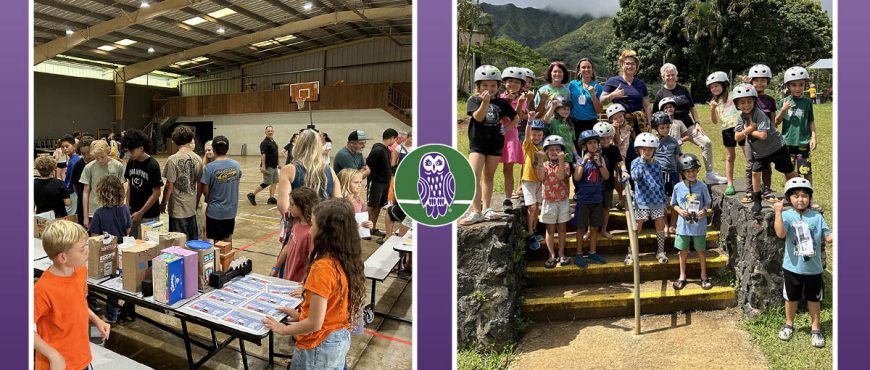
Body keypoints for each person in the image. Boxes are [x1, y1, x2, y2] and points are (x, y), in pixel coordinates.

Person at [262, 199, 365, 370]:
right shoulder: (346, 258)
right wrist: (300, 315)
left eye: (314, 225)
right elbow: (330, 308)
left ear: (326, 232)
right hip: (338, 339)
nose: (310, 231)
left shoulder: (322, 267)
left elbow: (315, 324)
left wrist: (282, 329)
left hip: (318, 346)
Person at [34, 221, 111, 370]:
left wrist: (96, 320)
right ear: (63, 258)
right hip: (57, 365)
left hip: (81, 359)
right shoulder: (42, 289)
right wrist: (53, 355)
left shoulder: (80, 271)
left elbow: (79, 303)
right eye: (82, 249)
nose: (88, 251)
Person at [773, 178, 832, 348]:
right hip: (792, 267)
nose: (800, 199)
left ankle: (816, 328)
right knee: (791, 298)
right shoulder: (787, 215)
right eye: (796, 196)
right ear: (789, 198)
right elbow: (780, 234)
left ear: (810, 198)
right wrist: (778, 212)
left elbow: (828, 236)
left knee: (814, 299)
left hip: (814, 269)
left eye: (804, 196)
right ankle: (789, 324)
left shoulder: (817, 216)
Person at [460, 65, 520, 225]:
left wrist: (506, 128)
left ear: (498, 86)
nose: (490, 88)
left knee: (489, 176)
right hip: (477, 144)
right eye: (485, 85)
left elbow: (516, 118)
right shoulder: (474, 100)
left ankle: (487, 209)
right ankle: (476, 211)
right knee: (473, 175)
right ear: (478, 86)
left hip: (495, 144)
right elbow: (478, 117)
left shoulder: (502, 103)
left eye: (493, 85)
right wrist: (485, 102)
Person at [653, 63, 726, 184]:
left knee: (706, 142)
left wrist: (697, 123)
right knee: (674, 153)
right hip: (670, 127)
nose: (670, 77)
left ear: (676, 75)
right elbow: (655, 114)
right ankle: (676, 181)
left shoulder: (683, 90)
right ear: (663, 77)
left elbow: (692, 108)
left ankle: (710, 173)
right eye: (667, 75)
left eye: (672, 75)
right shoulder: (660, 93)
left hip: (687, 124)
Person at [733, 83, 797, 213]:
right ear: (737, 105)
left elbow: (762, 135)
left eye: (749, 101)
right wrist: (750, 129)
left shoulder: (759, 114)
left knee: (789, 172)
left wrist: (747, 130)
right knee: (755, 172)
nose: (746, 105)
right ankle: (757, 201)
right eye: (742, 103)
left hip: (777, 148)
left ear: (755, 101)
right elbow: (736, 137)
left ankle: (798, 193)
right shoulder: (741, 118)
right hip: (761, 153)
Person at [88, 176, 132, 324]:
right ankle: (125, 311)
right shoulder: (125, 209)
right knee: (121, 283)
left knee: (108, 286)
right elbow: (128, 229)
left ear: (100, 193)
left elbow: (94, 238)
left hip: (106, 253)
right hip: (121, 250)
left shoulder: (99, 213)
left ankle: (111, 315)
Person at [602, 49, 653, 166]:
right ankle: (625, 179)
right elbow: (602, 100)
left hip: (640, 123)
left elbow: (646, 104)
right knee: (626, 152)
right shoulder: (613, 81)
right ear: (622, 65)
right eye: (627, 63)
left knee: (643, 151)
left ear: (636, 66)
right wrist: (613, 95)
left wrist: (649, 123)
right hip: (622, 124)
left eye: (633, 64)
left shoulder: (640, 83)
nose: (630, 66)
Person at [670, 154, 713, 291]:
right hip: (683, 226)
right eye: (688, 171)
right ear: (683, 172)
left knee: (701, 250)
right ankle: (682, 276)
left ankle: (704, 276)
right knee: (683, 251)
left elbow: (708, 202)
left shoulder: (702, 186)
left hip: (698, 224)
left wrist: (704, 210)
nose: (691, 173)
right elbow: (674, 203)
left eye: (694, 170)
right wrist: (680, 211)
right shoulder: (678, 187)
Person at [628, 133, 668, 265]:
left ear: (654, 150)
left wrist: (663, 200)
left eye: (650, 149)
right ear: (638, 150)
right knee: (637, 226)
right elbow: (635, 177)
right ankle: (631, 251)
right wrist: (641, 161)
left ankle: (661, 251)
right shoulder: (635, 162)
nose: (647, 152)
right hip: (642, 201)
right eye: (644, 149)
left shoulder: (657, 164)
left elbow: (660, 182)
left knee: (660, 225)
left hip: (657, 200)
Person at [571, 130, 609, 268]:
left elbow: (606, 176)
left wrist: (599, 164)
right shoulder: (580, 161)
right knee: (581, 229)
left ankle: (592, 252)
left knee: (594, 228)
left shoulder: (601, 159)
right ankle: (579, 254)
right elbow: (576, 177)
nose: (593, 145)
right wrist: (583, 162)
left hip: (597, 199)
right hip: (583, 201)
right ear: (584, 146)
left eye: (595, 142)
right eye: (589, 143)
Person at [161, 126, 203, 241]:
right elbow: (200, 184)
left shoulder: (172, 159)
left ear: (175, 141)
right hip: (191, 206)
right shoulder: (198, 159)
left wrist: (163, 202)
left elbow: (169, 185)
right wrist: (197, 200)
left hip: (177, 209)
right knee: (192, 240)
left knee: (178, 243)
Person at [776, 66, 816, 185]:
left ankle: (809, 197)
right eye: (794, 85)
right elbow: (776, 122)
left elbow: (811, 121)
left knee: (806, 170)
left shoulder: (808, 102)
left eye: (801, 84)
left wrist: (813, 137)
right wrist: (783, 110)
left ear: (805, 85)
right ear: (788, 86)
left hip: (803, 143)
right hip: (787, 143)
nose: (798, 88)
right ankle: (790, 196)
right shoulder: (783, 102)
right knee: (789, 171)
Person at [499, 67, 531, 212]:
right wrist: (506, 101)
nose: (513, 85)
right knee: (489, 168)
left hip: (511, 135)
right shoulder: (498, 97)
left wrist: (518, 102)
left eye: (517, 82)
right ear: (504, 82)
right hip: (495, 135)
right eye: (510, 81)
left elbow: (517, 116)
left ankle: (507, 198)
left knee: (508, 168)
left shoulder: (522, 100)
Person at [707, 71, 744, 197]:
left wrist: (745, 82)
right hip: (726, 130)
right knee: (730, 157)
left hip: (740, 126)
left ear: (724, 84)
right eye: (711, 87)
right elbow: (714, 121)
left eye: (716, 85)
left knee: (748, 154)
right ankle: (729, 183)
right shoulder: (714, 101)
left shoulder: (733, 95)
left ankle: (754, 181)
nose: (714, 89)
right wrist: (712, 109)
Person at [537, 135, 571, 269]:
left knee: (562, 229)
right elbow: (540, 177)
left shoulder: (566, 164)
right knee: (550, 230)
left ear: (562, 150)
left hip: (562, 200)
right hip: (549, 201)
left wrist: (562, 160)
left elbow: (561, 176)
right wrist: (540, 159)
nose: (554, 152)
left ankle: (561, 253)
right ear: (546, 151)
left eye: (557, 149)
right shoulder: (544, 165)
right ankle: (551, 255)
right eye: (551, 149)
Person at [122, 129, 163, 239]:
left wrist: (141, 212)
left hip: (149, 215)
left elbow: (157, 192)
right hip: (133, 214)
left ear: (141, 148)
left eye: (131, 151)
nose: (129, 154)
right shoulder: (131, 162)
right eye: (127, 151)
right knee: (133, 244)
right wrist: (127, 207)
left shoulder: (153, 165)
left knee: (150, 248)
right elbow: (130, 187)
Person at [272, 187, 319, 282]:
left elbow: (313, 261)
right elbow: (287, 246)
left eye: (292, 204)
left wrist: (304, 284)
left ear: (304, 207)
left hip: (298, 283)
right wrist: (275, 269)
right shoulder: (296, 223)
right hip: (288, 276)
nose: (289, 207)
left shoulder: (311, 232)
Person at [745, 64, 777, 203]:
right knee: (750, 164)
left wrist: (773, 134)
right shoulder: (747, 97)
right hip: (751, 137)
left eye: (763, 80)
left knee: (766, 165)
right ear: (751, 81)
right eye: (756, 80)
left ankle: (768, 191)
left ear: (767, 82)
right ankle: (749, 191)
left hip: (766, 137)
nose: (759, 83)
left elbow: (773, 119)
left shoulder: (770, 100)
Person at [201, 136, 242, 242]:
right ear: (227, 149)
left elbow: (205, 191)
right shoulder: (236, 165)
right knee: (228, 238)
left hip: (215, 212)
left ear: (214, 150)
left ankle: (218, 259)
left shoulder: (209, 168)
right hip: (230, 211)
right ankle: (228, 258)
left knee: (216, 243)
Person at [80, 140, 125, 228]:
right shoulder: (89, 167)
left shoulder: (118, 166)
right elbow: (85, 192)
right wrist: (85, 216)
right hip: (94, 211)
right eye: (97, 158)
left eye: (102, 157)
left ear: (108, 152)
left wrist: (121, 211)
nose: (100, 160)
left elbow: (121, 190)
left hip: (113, 209)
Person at [651, 112, 683, 234]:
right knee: (662, 200)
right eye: (662, 127)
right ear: (656, 128)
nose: (665, 130)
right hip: (659, 174)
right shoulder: (653, 141)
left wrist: (680, 173)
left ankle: (672, 224)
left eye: (667, 127)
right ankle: (664, 224)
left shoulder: (673, 141)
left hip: (673, 173)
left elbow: (677, 158)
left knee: (675, 199)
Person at [593, 121, 625, 238]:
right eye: (602, 139)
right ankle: (590, 230)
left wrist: (625, 171)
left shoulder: (613, 149)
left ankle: (604, 229)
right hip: (594, 184)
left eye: (608, 138)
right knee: (594, 208)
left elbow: (621, 162)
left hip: (608, 184)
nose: (606, 141)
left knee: (606, 207)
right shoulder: (593, 150)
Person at [366, 129, 399, 238]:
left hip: (384, 183)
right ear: (391, 138)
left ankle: (372, 228)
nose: (394, 142)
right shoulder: (378, 149)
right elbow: (368, 164)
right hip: (376, 182)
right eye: (394, 139)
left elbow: (386, 166)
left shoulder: (387, 150)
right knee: (371, 206)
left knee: (378, 206)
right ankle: (363, 231)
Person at [521, 115, 546, 250]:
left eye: (539, 135)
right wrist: (529, 120)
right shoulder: (528, 146)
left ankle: (535, 229)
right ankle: (530, 233)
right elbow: (526, 135)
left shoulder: (543, 150)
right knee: (531, 208)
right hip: (529, 180)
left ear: (542, 136)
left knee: (536, 207)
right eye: (534, 134)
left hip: (539, 181)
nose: (536, 137)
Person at [568, 58, 604, 133]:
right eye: (583, 67)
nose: (586, 69)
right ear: (579, 70)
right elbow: (568, 102)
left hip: (591, 122)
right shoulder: (572, 84)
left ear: (592, 70)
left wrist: (593, 95)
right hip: (573, 122)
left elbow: (599, 110)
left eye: (589, 67)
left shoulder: (598, 87)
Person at [247, 126, 280, 206]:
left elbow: (276, 153)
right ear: (265, 132)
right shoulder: (264, 143)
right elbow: (263, 155)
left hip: (274, 166)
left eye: (271, 131)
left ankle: (271, 198)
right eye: (268, 131)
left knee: (274, 181)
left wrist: (278, 164)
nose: (270, 132)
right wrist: (263, 166)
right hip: (268, 166)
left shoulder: (273, 141)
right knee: (267, 182)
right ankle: (252, 195)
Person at [606, 104, 631, 208]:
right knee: (614, 179)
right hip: (612, 156)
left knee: (623, 178)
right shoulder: (610, 128)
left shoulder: (627, 128)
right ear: (611, 120)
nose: (619, 119)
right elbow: (614, 144)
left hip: (622, 156)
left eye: (620, 116)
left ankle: (625, 199)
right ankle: (621, 198)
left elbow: (619, 143)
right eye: (615, 118)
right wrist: (615, 130)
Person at [542, 96, 578, 164]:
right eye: (564, 109)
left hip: (568, 156)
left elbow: (571, 141)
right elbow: (546, 120)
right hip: (556, 155)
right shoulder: (553, 121)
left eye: (568, 109)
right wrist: (553, 107)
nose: (566, 111)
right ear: (557, 110)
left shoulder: (570, 124)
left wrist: (576, 155)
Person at [70, 136, 94, 226]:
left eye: (89, 153)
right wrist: (80, 196)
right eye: (83, 153)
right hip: (82, 205)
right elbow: (75, 184)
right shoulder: (78, 165)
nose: (87, 156)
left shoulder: (99, 164)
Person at [60, 135, 80, 217]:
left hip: (72, 192)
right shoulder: (72, 159)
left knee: (69, 216)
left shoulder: (74, 161)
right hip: (72, 192)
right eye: (63, 147)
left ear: (74, 146)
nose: (65, 149)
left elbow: (72, 180)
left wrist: (66, 192)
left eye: (67, 146)